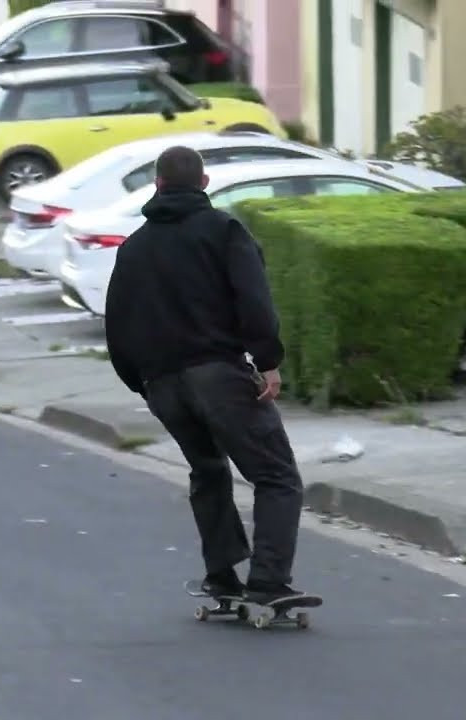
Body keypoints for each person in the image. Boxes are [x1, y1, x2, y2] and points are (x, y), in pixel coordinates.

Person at [102, 145, 306, 604]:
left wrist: (142, 382)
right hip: (217, 374)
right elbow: (253, 300)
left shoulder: (133, 249)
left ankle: (222, 574)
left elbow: (116, 324)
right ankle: (268, 581)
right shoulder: (223, 231)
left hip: (161, 383)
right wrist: (267, 361)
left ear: (157, 185)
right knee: (276, 475)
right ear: (205, 183)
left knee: (208, 470)